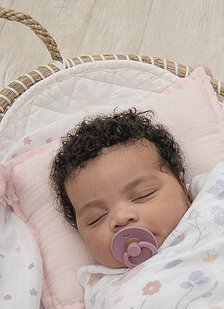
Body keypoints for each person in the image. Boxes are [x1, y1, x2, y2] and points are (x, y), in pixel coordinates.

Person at [50, 109, 192, 268]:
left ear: (182, 186)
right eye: (96, 217)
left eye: (143, 195)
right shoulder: (98, 281)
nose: (121, 218)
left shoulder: (211, 206)